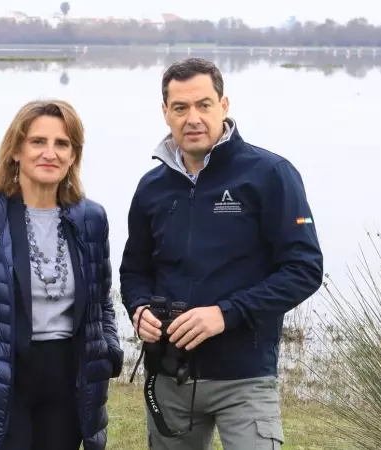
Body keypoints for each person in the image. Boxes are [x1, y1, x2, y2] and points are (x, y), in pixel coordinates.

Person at [119, 57, 324, 450]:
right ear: (165, 113)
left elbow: (304, 269)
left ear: (224, 106)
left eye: (203, 105)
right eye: (180, 108)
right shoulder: (151, 188)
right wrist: (139, 308)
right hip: (168, 376)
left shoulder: (269, 174)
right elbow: (135, 270)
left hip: (244, 378)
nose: (192, 118)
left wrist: (224, 314)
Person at [0, 99, 124, 450]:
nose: (51, 153)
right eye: (38, 142)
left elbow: (101, 302)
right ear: (16, 149)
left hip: (68, 386)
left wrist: (108, 351)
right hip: (2, 383)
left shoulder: (91, 219)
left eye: (62, 144)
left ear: (74, 155)